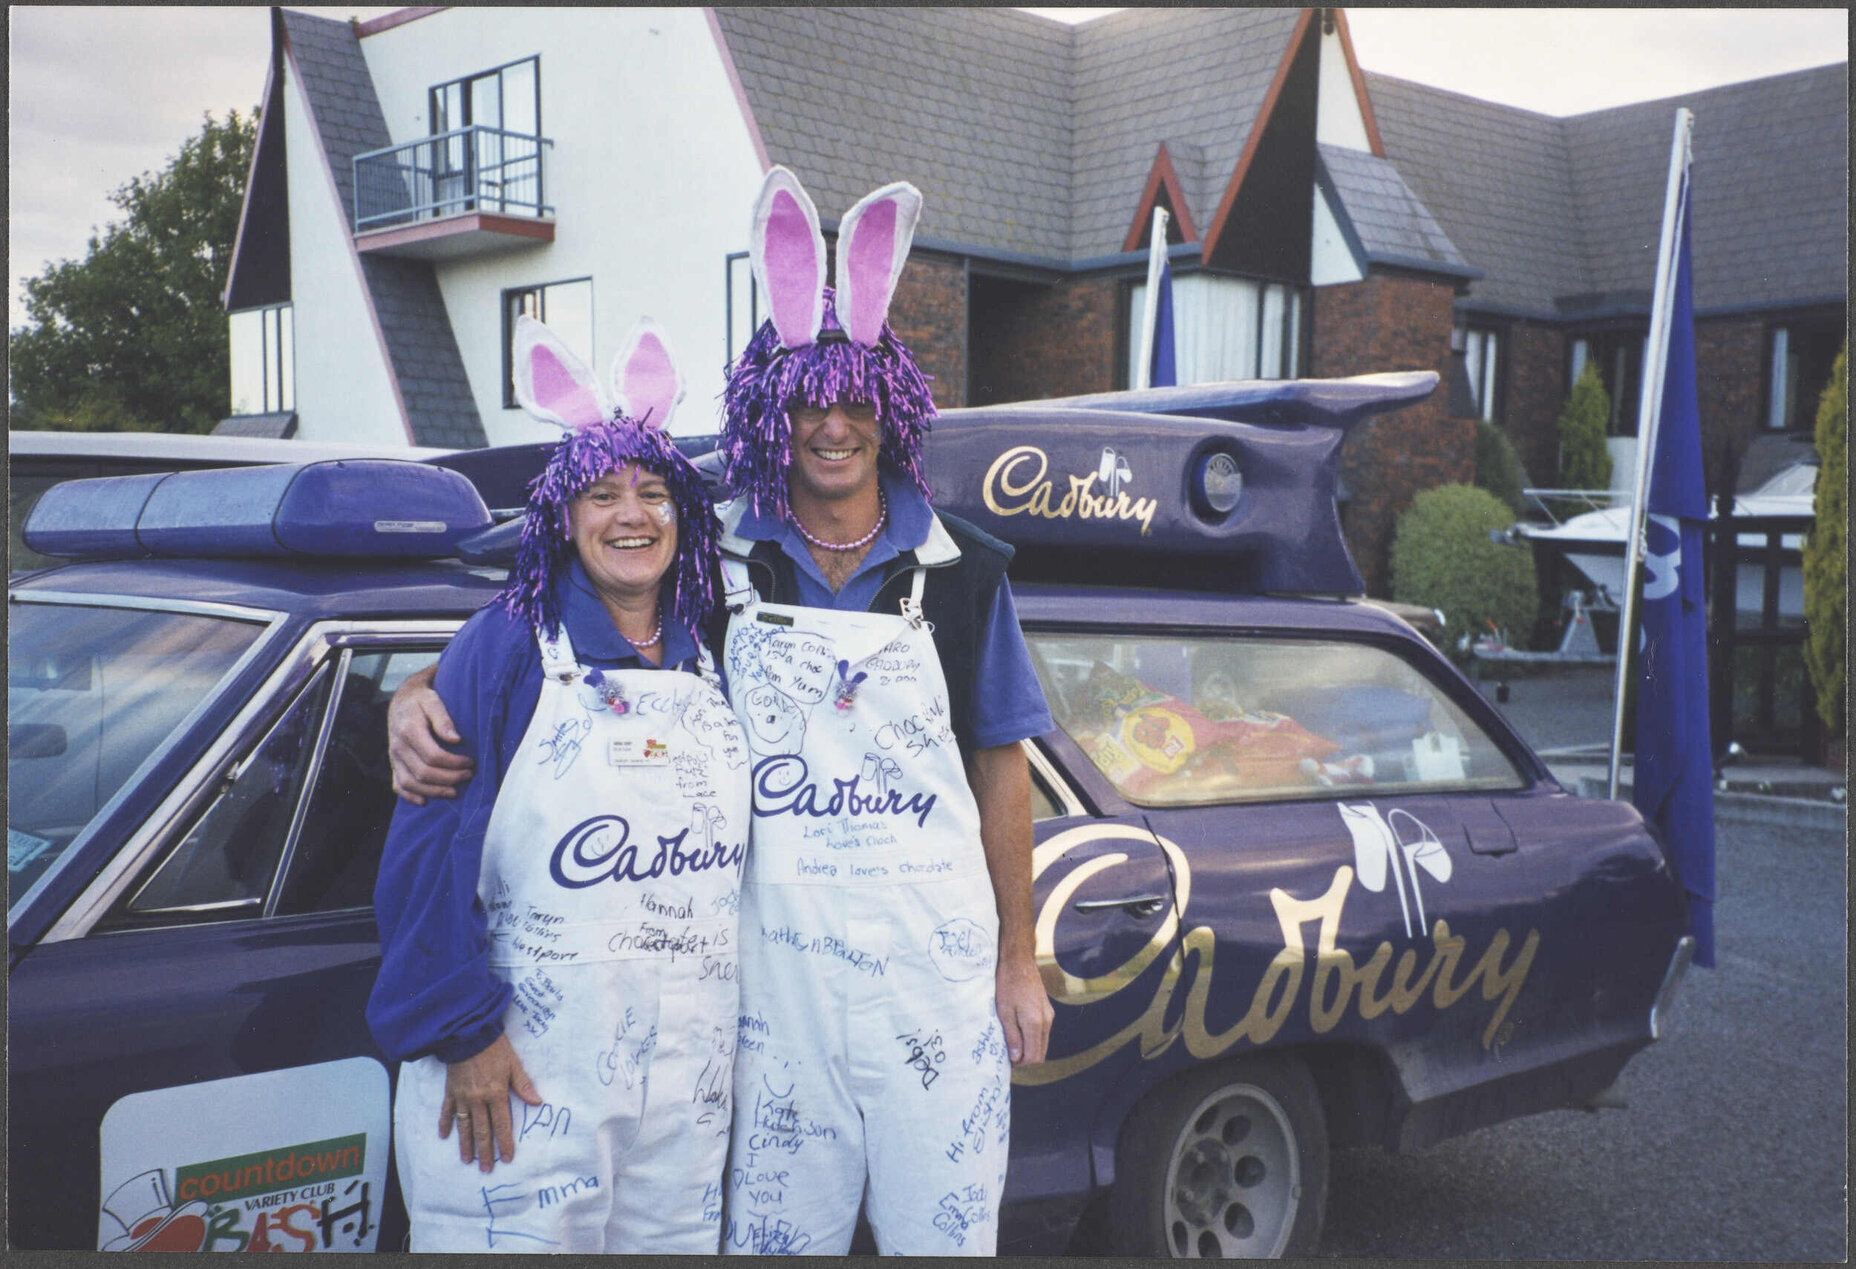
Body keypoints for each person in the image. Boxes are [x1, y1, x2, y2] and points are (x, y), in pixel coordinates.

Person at [387, 168, 1055, 1256]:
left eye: (854, 403)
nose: (831, 426)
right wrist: (416, 691)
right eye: (805, 403)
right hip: (768, 997)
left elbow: (1001, 760)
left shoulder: (965, 570)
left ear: (890, 411)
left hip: (931, 988)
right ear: (767, 413)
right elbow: (551, 570)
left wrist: (1016, 958)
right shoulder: (716, 554)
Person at [367, 316, 749, 1253]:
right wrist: (460, 1032)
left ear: (682, 516)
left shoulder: (719, 644)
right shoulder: (506, 642)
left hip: (685, 1092)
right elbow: (427, 851)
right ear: (564, 519)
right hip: (525, 1078)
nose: (633, 514)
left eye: (655, 492)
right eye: (604, 494)